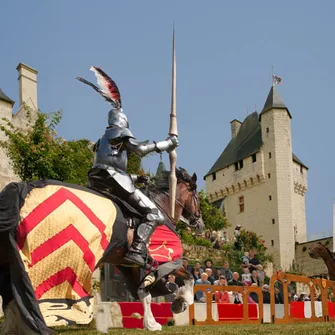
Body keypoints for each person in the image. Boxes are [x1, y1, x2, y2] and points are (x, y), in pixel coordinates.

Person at [78, 66, 178, 267]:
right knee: (153, 214)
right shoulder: (120, 133)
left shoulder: (101, 141)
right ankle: (138, 250)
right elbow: (140, 149)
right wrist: (167, 144)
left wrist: (135, 178)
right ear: (123, 122)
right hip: (113, 178)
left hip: (97, 179)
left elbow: (110, 165)